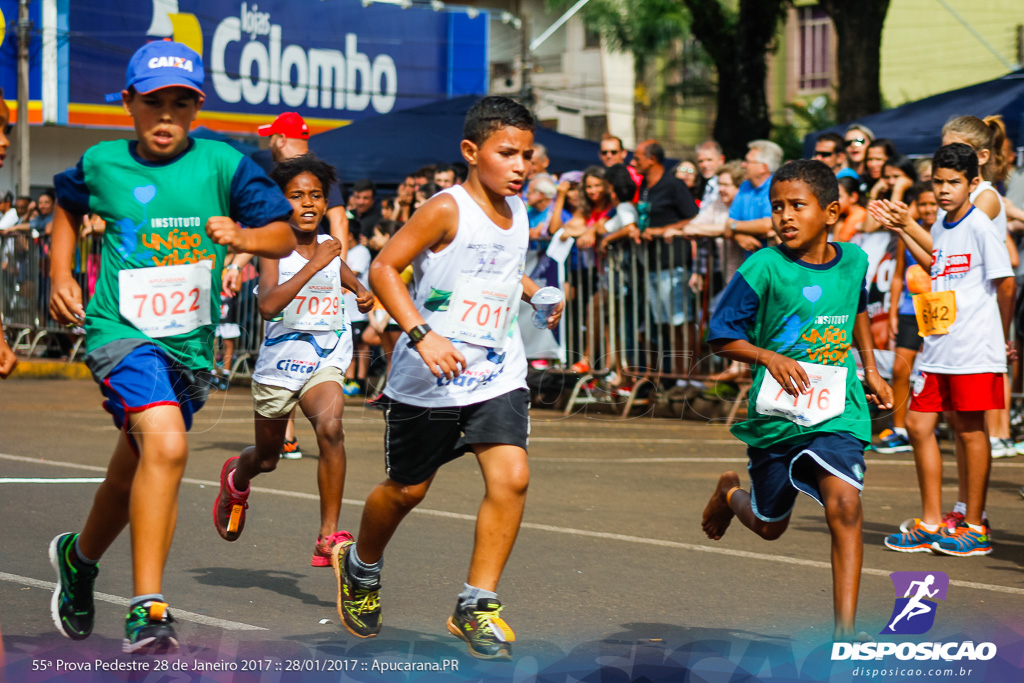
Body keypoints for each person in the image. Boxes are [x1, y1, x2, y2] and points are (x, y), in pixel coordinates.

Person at [46, 41, 296, 654]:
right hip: (121, 332)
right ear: (128, 103)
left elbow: (287, 231)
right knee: (164, 441)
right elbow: (67, 208)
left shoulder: (223, 164)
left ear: (197, 107)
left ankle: (78, 562)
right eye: (153, 102)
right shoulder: (102, 161)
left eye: (180, 104)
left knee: (136, 465)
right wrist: (60, 272)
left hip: (190, 350)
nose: (166, 116)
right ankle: (148, 608)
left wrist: (243, 234)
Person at [331, 96, 562, 660]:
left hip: (495, 369)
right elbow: (386, 267)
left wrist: (536, 293)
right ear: (470, 151)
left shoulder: (520, 209)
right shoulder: (445, 208)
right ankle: (361, 567)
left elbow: (502, 273)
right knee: (408, 489)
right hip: (428, 375)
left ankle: (476, 603)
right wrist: (421, 334)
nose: (519, 165)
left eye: (526, 155)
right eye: (506, 153)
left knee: (512, 476)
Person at [701, 159, 893, 642]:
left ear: (830, 212)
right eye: (776, 207)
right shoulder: (763, 265)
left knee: (844, 502)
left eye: (796, 206)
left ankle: (845, 634)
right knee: (769, 527)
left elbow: (858, 311)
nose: (784, 216)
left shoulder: (854, 260)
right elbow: (719, 337)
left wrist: (870, 370)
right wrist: (768, 357)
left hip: (837, 409)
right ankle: (729, 491)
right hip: (778, 417)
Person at [213, 153, 372, 568]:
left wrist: (358, 288)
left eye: (316, 196)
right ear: (282, 203)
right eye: (297, 196)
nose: (308, 204)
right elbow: (267, 305)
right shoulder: (274, 247)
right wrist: (315, 265)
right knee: (267, 459)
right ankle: (237, 477)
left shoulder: (327, 247)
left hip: (325, 353)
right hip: (280, 364)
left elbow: (337, 268)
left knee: (332, 428)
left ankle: (327, 533)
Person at [873, 143, 1015, 557]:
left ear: (973, 183)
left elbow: (1006, 281)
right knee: (918, 427)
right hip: (939, 346)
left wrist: (1000, 335)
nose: (944, 190)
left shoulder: (981, 225)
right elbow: (938, 263)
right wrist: (902, 229)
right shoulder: (940, 224)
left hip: (973, 348)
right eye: (938, 182)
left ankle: (975, 525)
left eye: (954, 182)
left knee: (970, 431)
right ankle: (931, 521)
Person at [877, 183, 937, 454]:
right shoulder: (908, 235)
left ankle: (929, 424)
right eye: (923, 204)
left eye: (932, 203)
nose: (928, 209)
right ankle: (899, 428)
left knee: (935, 370)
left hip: (938, 308)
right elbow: (899, 275)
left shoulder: (946, 233)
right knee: (901, 368)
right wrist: (891, 313)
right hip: (909, 311)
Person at [257, 112, 349, 245]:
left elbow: (339, 219)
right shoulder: (284, 173)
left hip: (313, 258)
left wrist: (339, 264)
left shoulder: (315, 173)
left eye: (271, 138)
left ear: (282, 140)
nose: (270, 145)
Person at [695, 140, 726, 206]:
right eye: (700, 161)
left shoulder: (727, 184)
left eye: (709, 160)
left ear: (721, 160)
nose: (704, 165)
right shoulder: (701, 184)